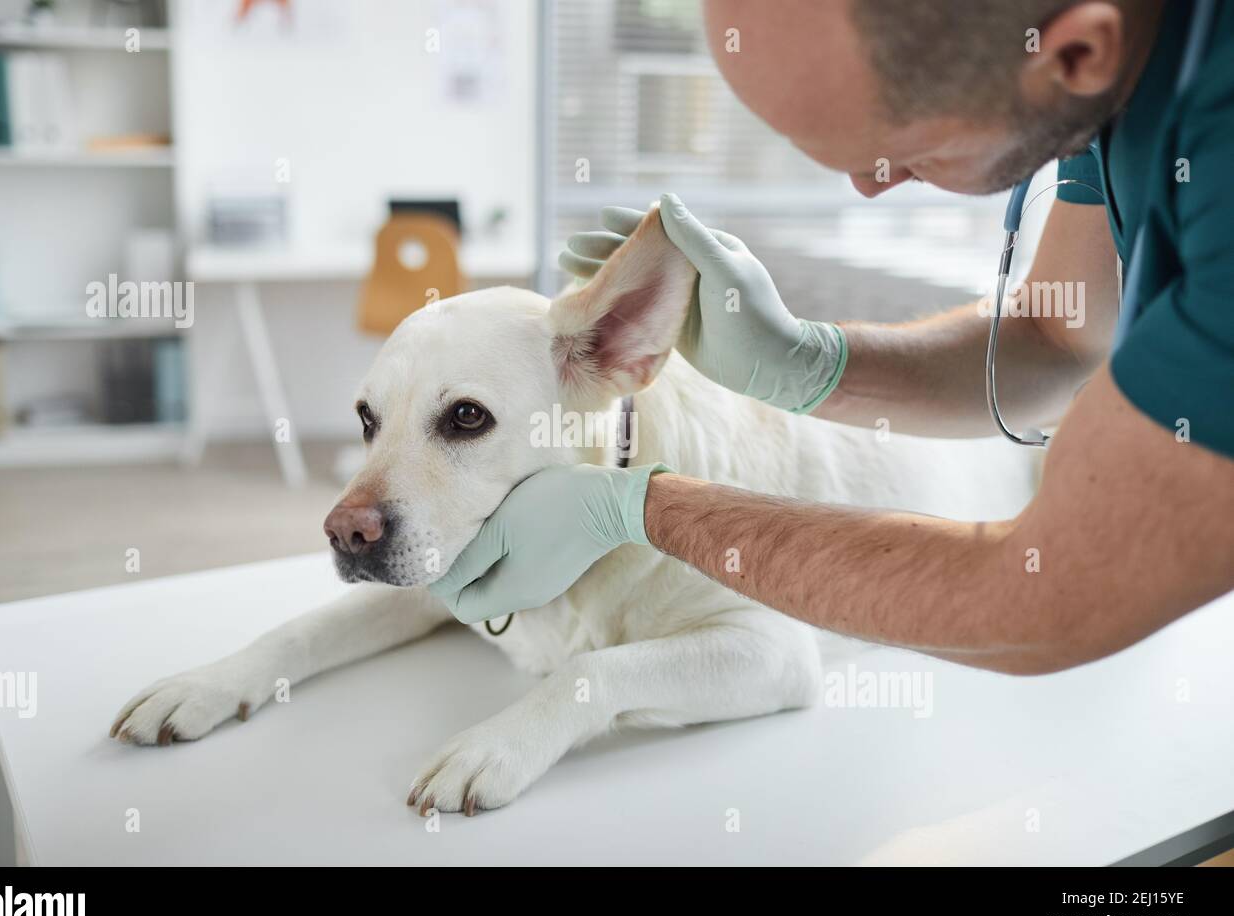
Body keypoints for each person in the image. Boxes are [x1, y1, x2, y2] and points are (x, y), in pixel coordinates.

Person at [431, 0, 1234, 675]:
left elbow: (1052, 593)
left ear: (1076, 52)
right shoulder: (1098, 81)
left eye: (905, 155)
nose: (865, 186)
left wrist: (646, 510)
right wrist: (813, 364)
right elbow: (1059, 340)